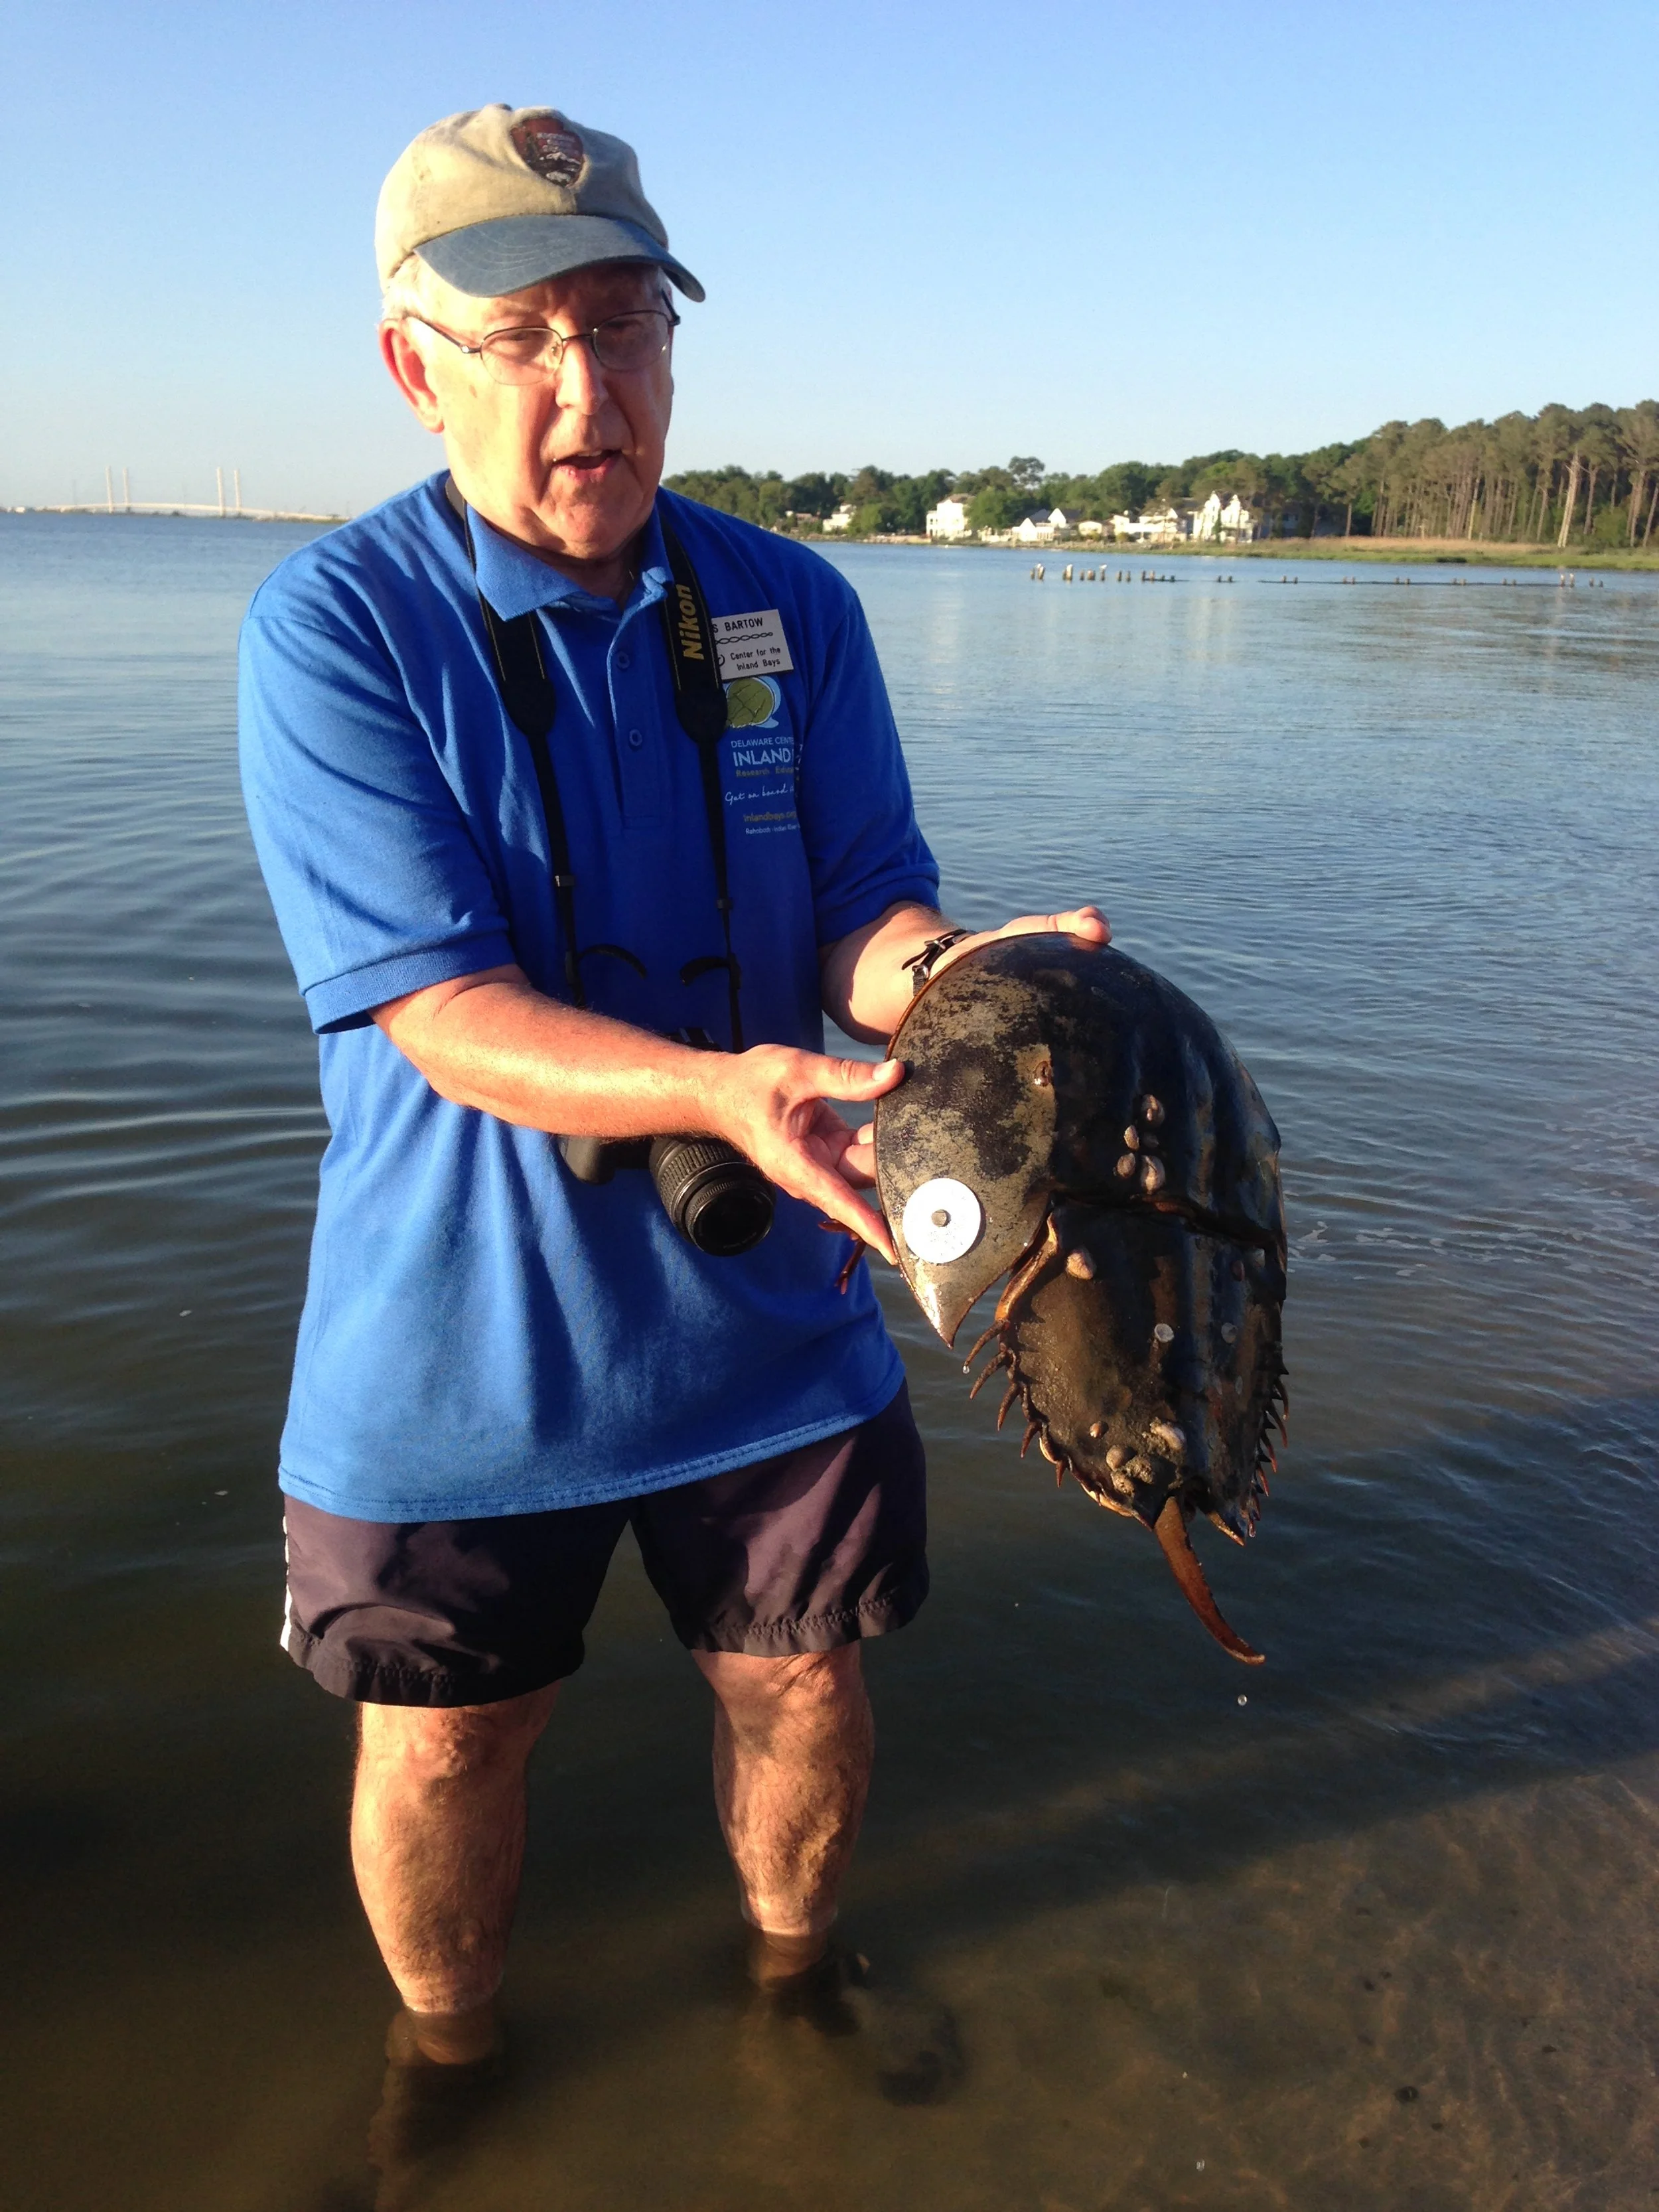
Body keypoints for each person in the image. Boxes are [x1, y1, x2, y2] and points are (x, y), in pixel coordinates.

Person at [239, 102, 1108, 2108]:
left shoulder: (789, 606)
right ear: (415, 369)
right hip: (461, 1335)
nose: (588, 390)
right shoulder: (338, 627)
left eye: (624, 327)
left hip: (773, 1315)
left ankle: (792, 1995)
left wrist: (962, 985)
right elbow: (436, 1009)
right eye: (524, 337)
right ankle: (446, 2064)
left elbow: (862, 910)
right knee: (446, 1739)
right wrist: (720, 1086)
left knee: (802, 1682)